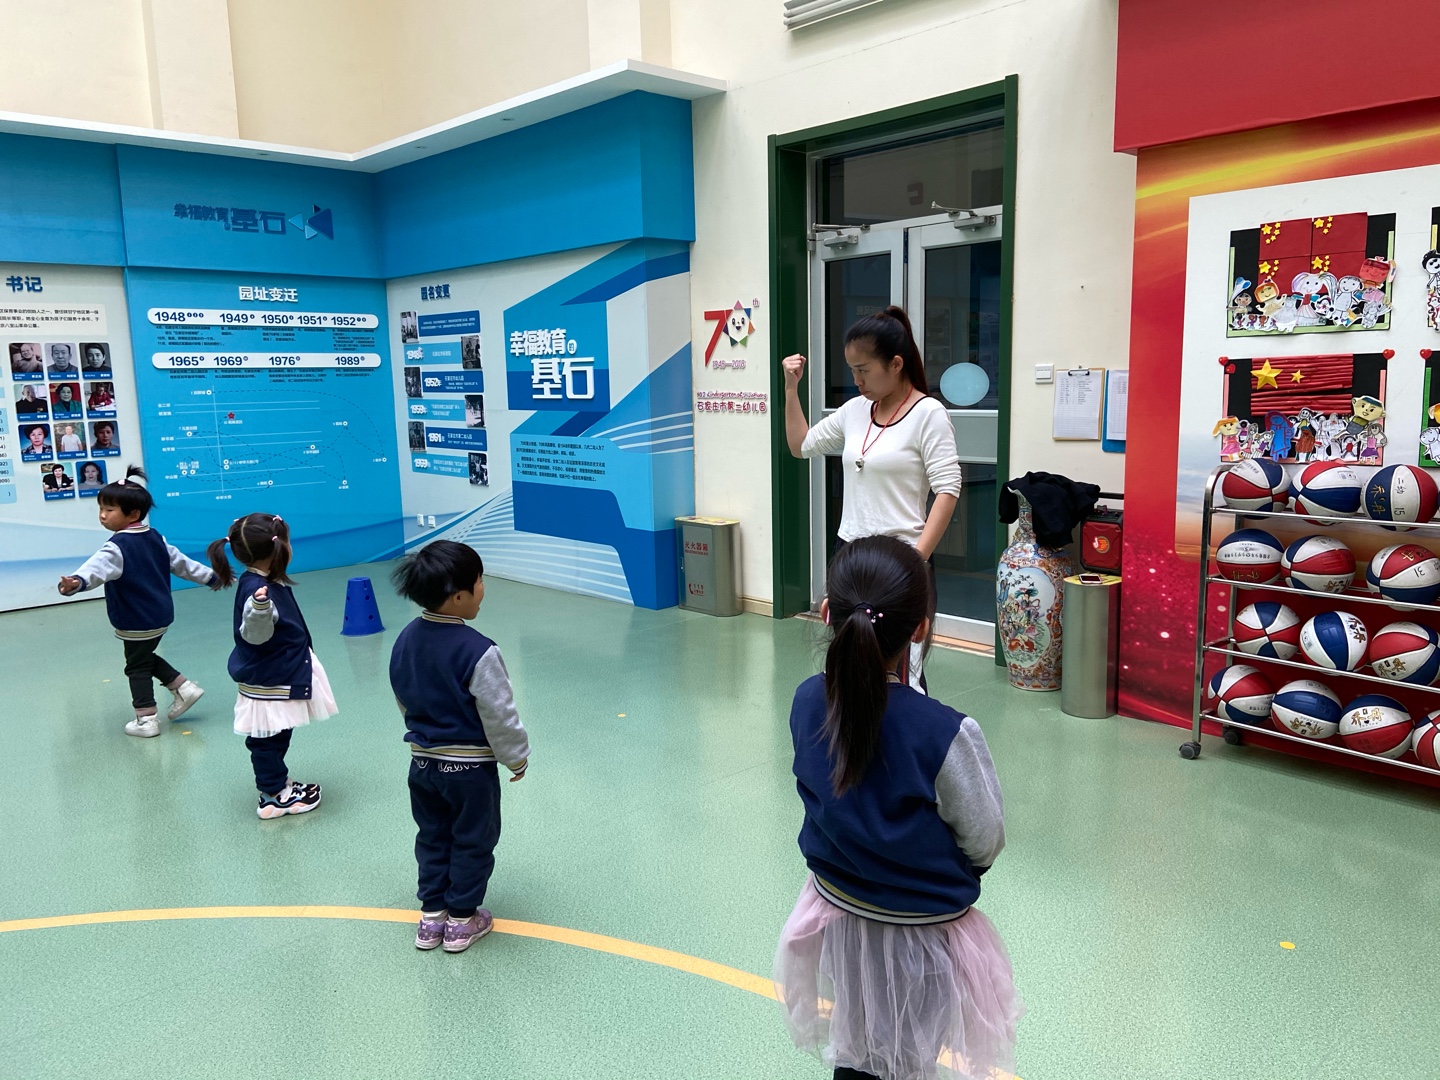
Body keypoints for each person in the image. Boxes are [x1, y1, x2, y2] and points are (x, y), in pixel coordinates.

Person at [773, 536, 1018, 1080]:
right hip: (920, 932)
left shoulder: (807, 700)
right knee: (909, 1055)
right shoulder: (945, 732)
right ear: (921, 629)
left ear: (826, 612)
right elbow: (984, 839)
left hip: (839, 916)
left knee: (857, 1040)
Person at [783, 306, 962, 689]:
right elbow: (801, 446)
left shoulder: (928, 414)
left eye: (863, 370)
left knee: (903, 672)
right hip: (851, 556)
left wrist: (916, 560)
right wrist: (791, 389)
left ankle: (904, 723)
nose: (856, 380)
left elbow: (947, 490)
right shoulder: (855, 411)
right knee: (850, 661)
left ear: (895, 364)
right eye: (852, 370)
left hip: (903, 558)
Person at [389, 541, 530, 954]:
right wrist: (516, 757)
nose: (483, 589)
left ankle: (432, 917)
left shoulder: (405, 640)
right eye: (479, 582)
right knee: (472, 839)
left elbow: (404, 695)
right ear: (457, 596)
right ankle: (462, 921)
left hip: (422, 765)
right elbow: (499, 714)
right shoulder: (479, 650)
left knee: (433, 836)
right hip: (469, 771)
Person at [57, 467, 214, 738]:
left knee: (136, 666)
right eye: (101, 508)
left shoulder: (117, 547)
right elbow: (183, 564)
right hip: (160, 615)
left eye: (109, 510)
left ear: (133, 514)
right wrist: (210, 577)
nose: (102, 515)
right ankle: (183, 687)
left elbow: (95, 569)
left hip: (135, 618)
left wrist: (76, 582)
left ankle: (147, 719)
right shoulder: (156, 537)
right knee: (142, 657)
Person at [206, 513, 337, 819]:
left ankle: (277, 783)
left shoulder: (263, 581)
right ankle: (273, 796)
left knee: (276, 733)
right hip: (269, 677)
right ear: (278, 548)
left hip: (276, 672)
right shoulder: (258, 592)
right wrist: (259, 609)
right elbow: (254, 634)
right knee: (267, 738)